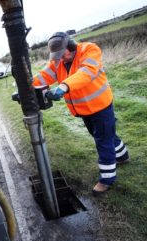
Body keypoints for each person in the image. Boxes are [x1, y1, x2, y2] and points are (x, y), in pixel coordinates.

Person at [32, 32, 129, 196]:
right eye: (58, 57)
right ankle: (123, 156)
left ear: (71, 46)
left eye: (63, 55)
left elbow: (86, 72)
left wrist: (63, 86)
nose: (61, 59)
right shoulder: (58, 60)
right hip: (84, 110)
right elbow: (44, 76)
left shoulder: (90, 50)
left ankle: (107, 180)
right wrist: (26, 84)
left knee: (103, 141)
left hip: (101, 106)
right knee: (105, 135)